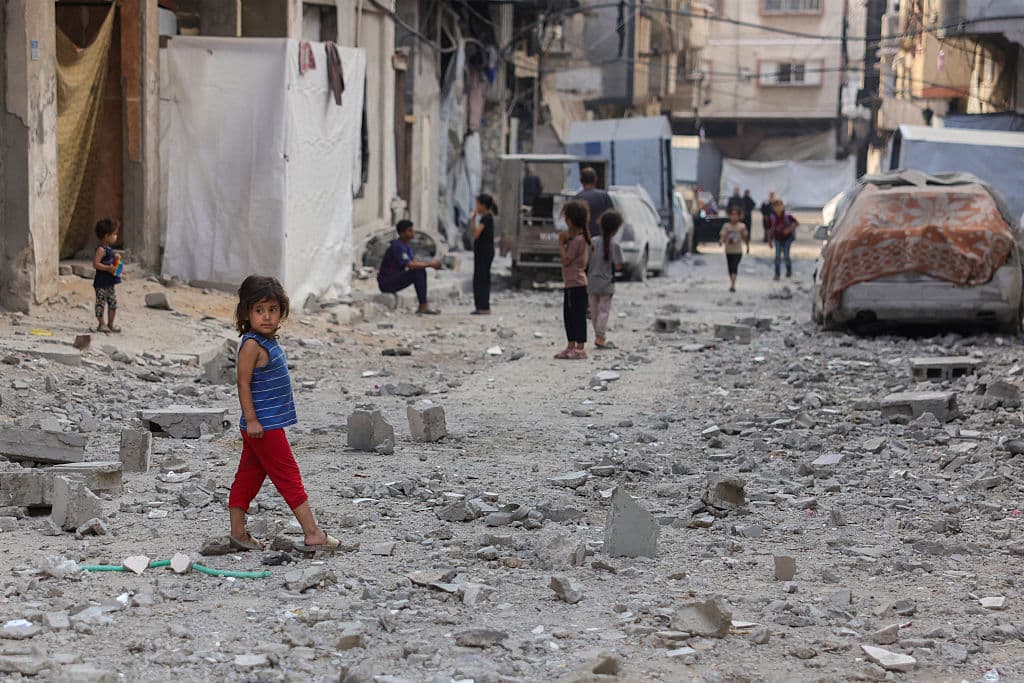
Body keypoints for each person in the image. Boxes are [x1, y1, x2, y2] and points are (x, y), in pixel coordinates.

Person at [230, 275, 340, 553]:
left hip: (264, 425)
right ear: (246, 312)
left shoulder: (266, 341)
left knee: (249, 476)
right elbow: (242, 382)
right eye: (259, 310)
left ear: (282, 311)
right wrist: (252, 420)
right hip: (263, 426)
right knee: (288, 476)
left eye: (273, 310)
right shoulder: (252, 344)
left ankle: (238, 534)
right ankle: (313, 533)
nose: (267, 317)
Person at [377, 219, 442, 315]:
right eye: (409, 230)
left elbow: (412, 262)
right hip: (387, 282)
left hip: (394, 278)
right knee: (418, 272)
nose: (413, 232)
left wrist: (427, 263)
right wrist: (430, 265)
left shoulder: (406, 246)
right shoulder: (397, 246)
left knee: (419, 271)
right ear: (402, 233)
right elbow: (409, 265)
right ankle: (423, 306)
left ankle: (423, 305)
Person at [556, 200, 591, 360]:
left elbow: (566, 260)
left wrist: (561, 244)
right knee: (568, 316)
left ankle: (580, 347)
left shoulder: (578, 240)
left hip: (577, 284)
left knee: (578, 316)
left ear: (570, 220)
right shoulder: (578, 239)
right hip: (570, 283)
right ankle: (570, 345)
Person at [588, 210, 624, 349]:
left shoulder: (593, 242)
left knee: (594, 311)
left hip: (591, 282)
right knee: (604, 311)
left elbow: (587, 260)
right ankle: (600, 336)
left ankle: (598, 334)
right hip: (607, 284)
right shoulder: (615, 246)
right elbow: (619, 266)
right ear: (616, 229)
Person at [92, 218, 122, 334]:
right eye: (114, 234)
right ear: (106, 236)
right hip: (101, 282)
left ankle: (110, 324)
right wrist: (108, 268)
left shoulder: (109, 249)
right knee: (100, 303)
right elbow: (96, 264)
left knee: (112, 303)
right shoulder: (101, 250)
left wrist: (116, 260)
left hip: (109, 282)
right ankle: (101, 324)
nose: (116, 236)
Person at [470, 193, 497, 315]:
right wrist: (473, 219)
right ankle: (481, 306)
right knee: (480, 278)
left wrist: (473, 217)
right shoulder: (486, 217)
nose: (476, 207)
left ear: (482, 205)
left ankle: (483, 306)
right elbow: (474, 232)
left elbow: (476, 234)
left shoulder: (486, 218)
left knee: (481, 278)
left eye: (477, 204)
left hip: (484, 253)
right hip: (483, 252)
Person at [574, 166, 613, 238]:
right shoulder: (604, 196)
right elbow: (612, 218)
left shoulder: (577, 198)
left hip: (583, 239)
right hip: (602, 238)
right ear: (595, 180)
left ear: (581, 181)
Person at [719, 206, 749, 293]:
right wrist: (721, 241)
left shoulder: (741, 226)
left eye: (736, 215)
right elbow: (722, 236)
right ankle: (732, 282)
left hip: (738, 251)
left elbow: (745, 238)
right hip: (729, 250)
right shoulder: (726, 226)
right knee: (730, 267)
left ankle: (733, 285)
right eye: (732, 215)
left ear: (739, 216)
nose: (734, 217)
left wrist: (747, 247)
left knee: (734, 266)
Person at [768, 198, 799, 280]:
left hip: (787, 238)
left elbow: (796, 223)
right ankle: (777, 274)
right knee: (777, 256)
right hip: (777, 239)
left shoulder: (787, 216)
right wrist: (769, 241)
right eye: (776, 207)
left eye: (779, 206)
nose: (778, 208)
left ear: (782, 206)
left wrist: (789, 230)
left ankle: (789, 270)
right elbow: (769, 229)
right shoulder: (772, 217)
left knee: (786, 255)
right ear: (773, 208)